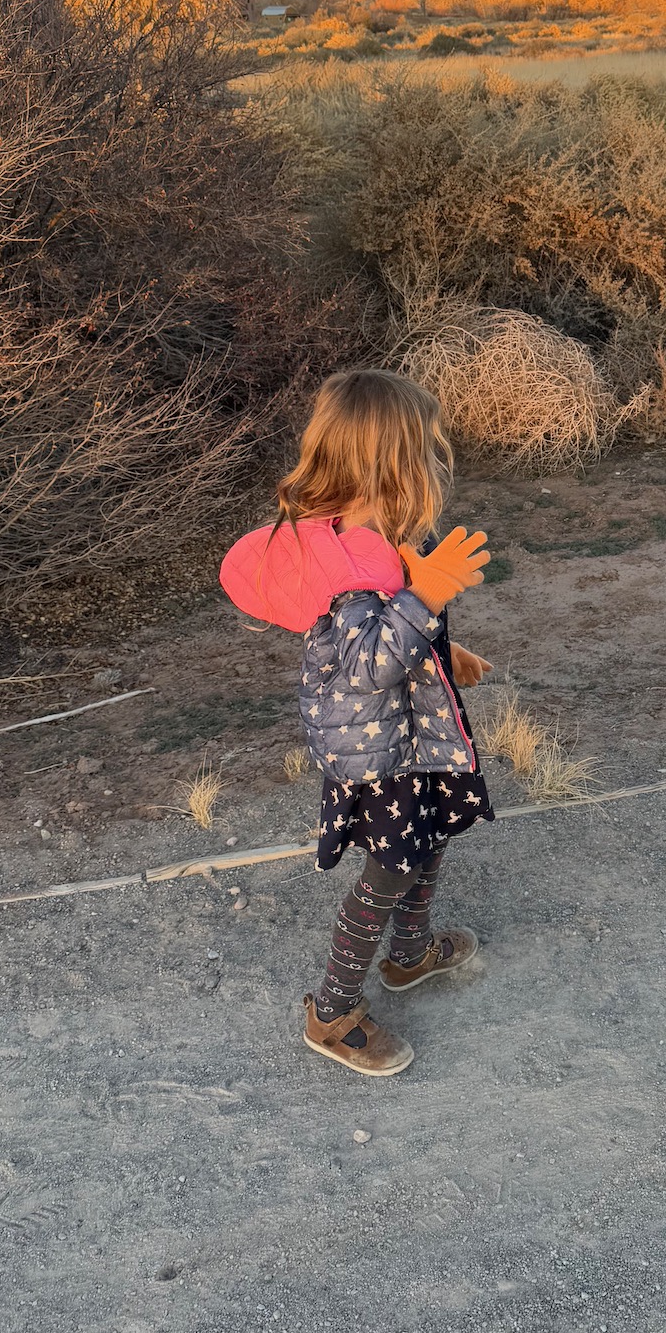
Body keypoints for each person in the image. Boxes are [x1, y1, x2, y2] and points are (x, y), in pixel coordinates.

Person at [219, 369, 494, 1078]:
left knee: (427, 845)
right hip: (380, 755)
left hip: (405, 735)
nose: (436, 461)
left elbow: (387, 640)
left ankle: (408, 959)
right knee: (387, 872)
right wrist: (428, 593)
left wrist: (440, 645)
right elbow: (367, 662)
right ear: (395, 463)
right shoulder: (356, 561)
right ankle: (332, 1010)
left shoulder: (376, 540)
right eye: (428, 448)